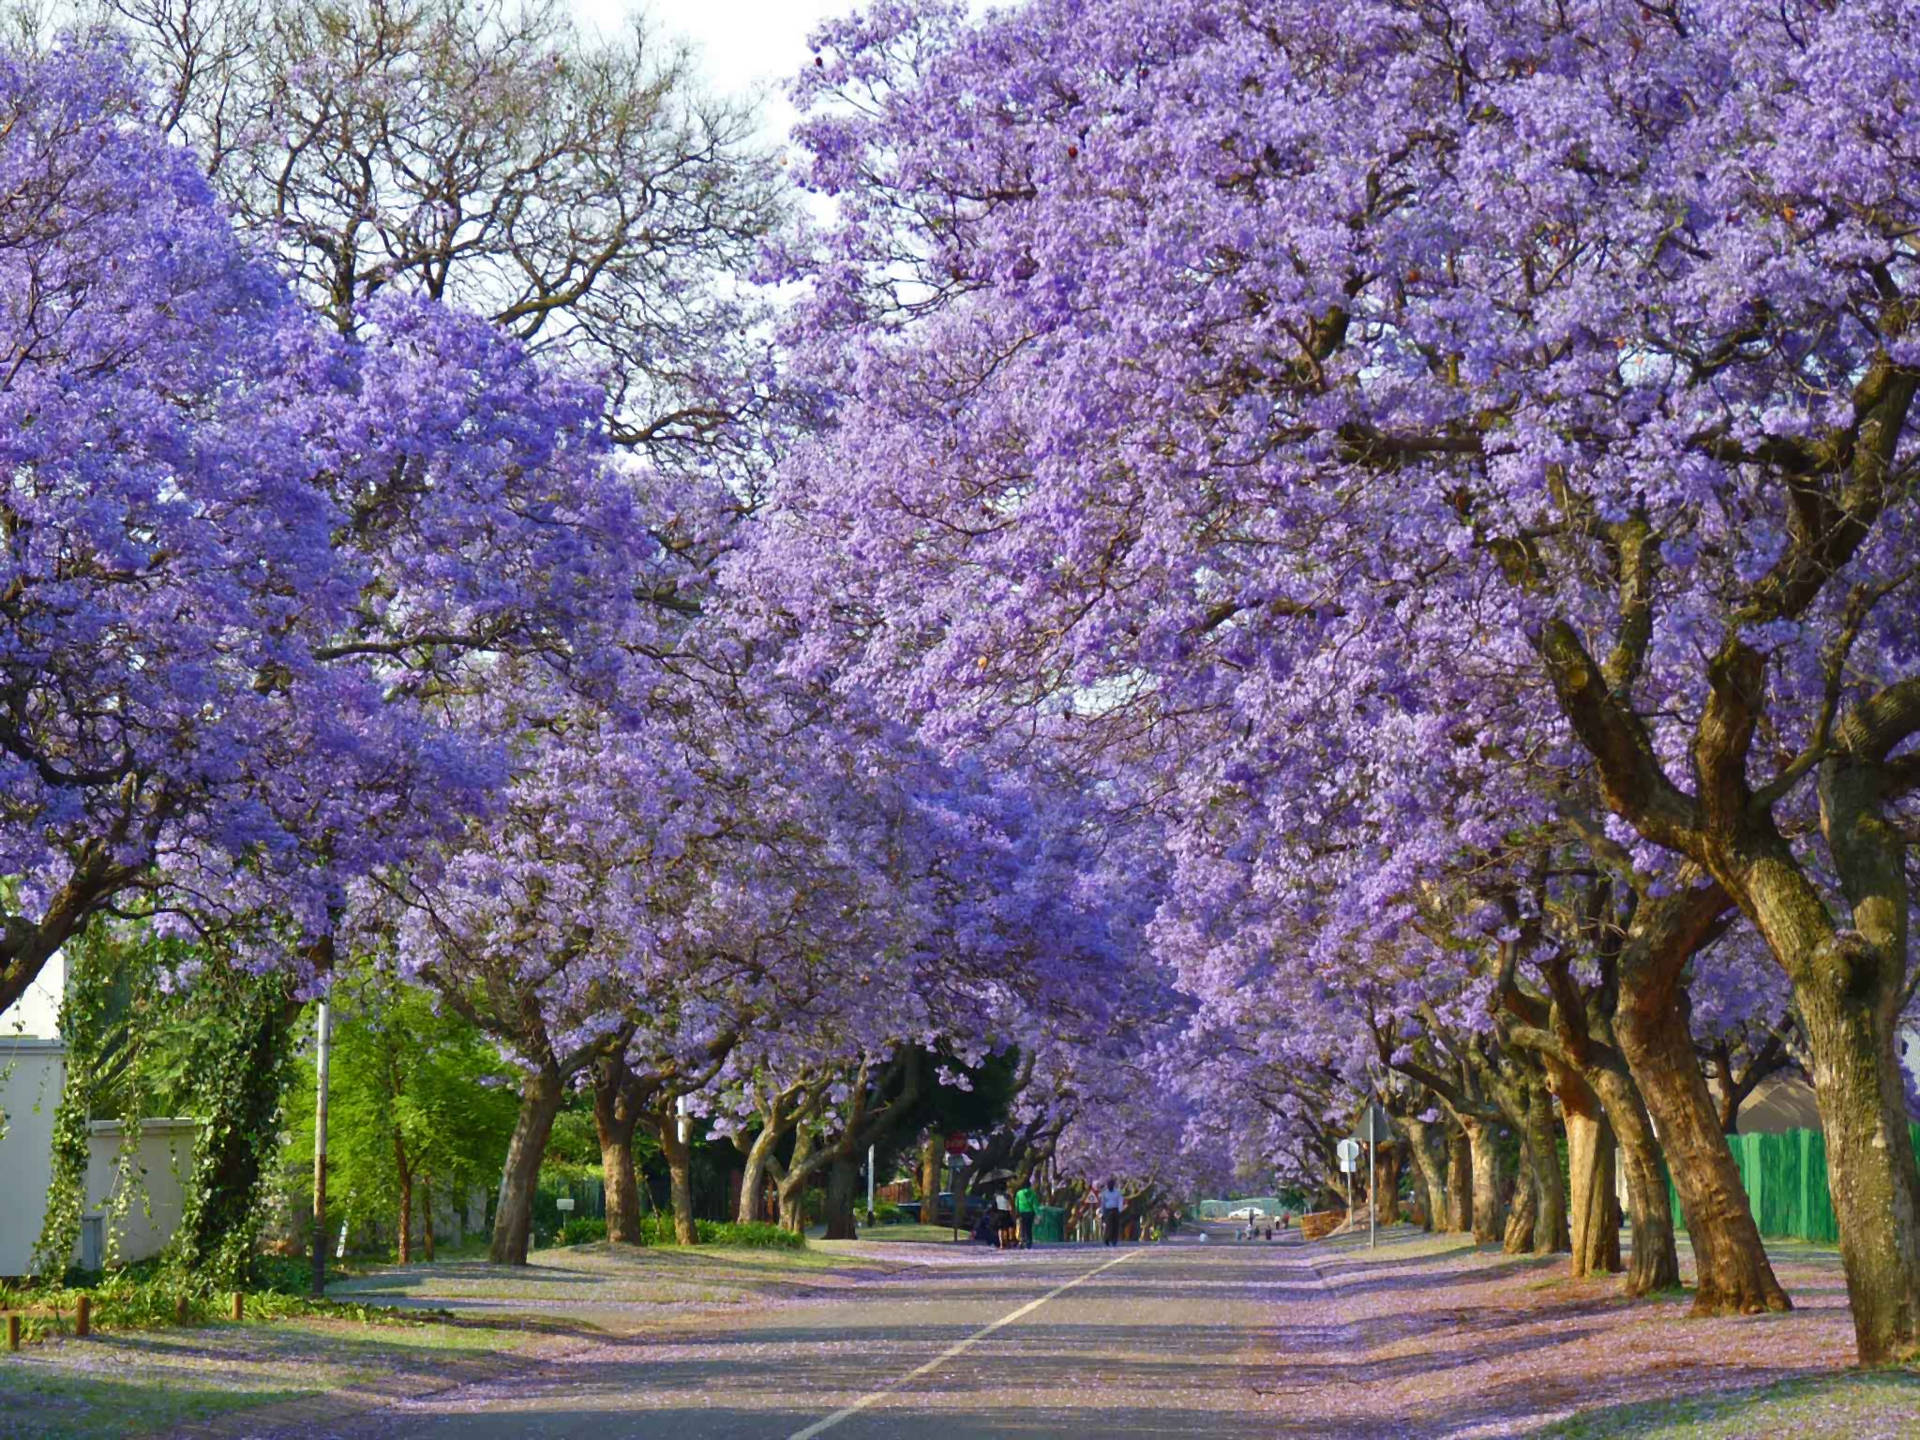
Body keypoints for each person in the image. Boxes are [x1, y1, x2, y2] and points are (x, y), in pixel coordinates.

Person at [1014, 1177, 1038, 1249]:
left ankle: (1022, 1241)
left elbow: (1016, 1203)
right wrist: (1037, 1213)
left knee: (1022, 1227)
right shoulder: (1033, 1193)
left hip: (1021, 1212)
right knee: (1029, 1228)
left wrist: (1016, 1211)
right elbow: (1035, 1204)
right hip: (1030, 1212)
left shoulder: (1019, 1193)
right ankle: (1029, 1242)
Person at [1100, 1176, 1124, 1247]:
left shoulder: (1117, 1192)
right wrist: (1102, 1211)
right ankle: (1107, 1239)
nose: (1110, 1186)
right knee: (1108, 1225)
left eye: (1111, 1185)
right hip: (1108, 1210)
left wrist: (1120, 1210)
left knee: (1115, 1225)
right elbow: (1103, 1203)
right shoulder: (1104, 1193)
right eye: (1109, 1185)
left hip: (1115, 1209)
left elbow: (1120, 1201)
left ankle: (1114, 1239)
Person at [993, 1184, 1015, 1249]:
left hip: (999, 1212)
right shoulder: (1008, 1196)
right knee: (1006, 1228)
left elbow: (994, 1205)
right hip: (1006, 1212)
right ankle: (1007, 1243)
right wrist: (1012, 1214)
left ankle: (1001, 1244)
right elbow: (1011, 1206)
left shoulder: (996, 1196)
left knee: (1000, 1229)